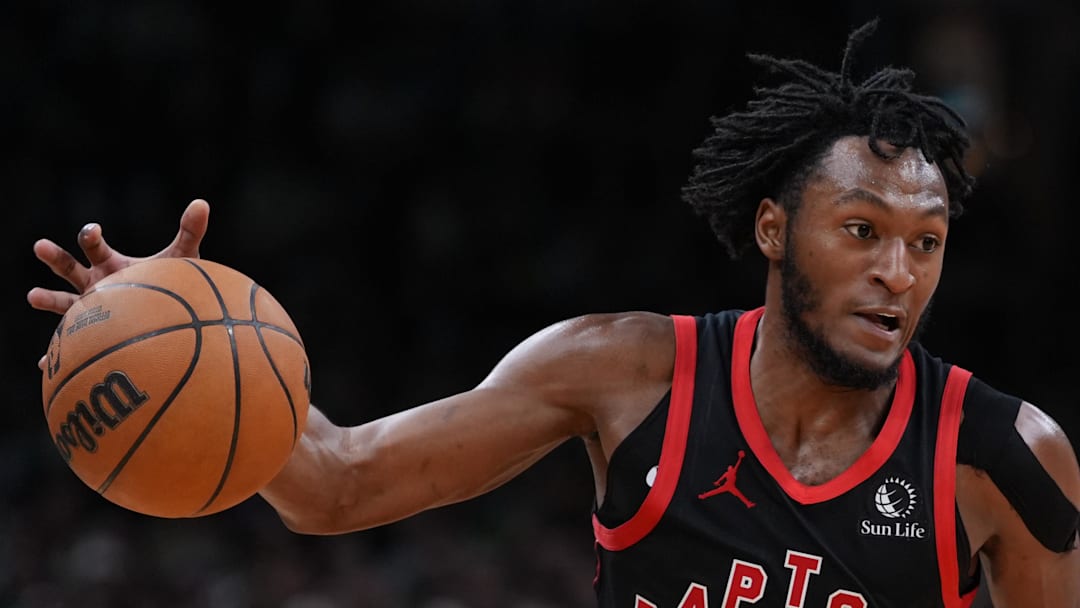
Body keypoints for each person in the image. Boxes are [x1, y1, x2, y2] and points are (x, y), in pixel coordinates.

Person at [27, 19, 1080, 608]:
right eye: (861, 231)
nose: (899, 270)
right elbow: (335, 483)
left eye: (926, 242)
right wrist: (174, 326)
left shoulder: (1008, 455)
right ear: (772, 229)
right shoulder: (619, 370)